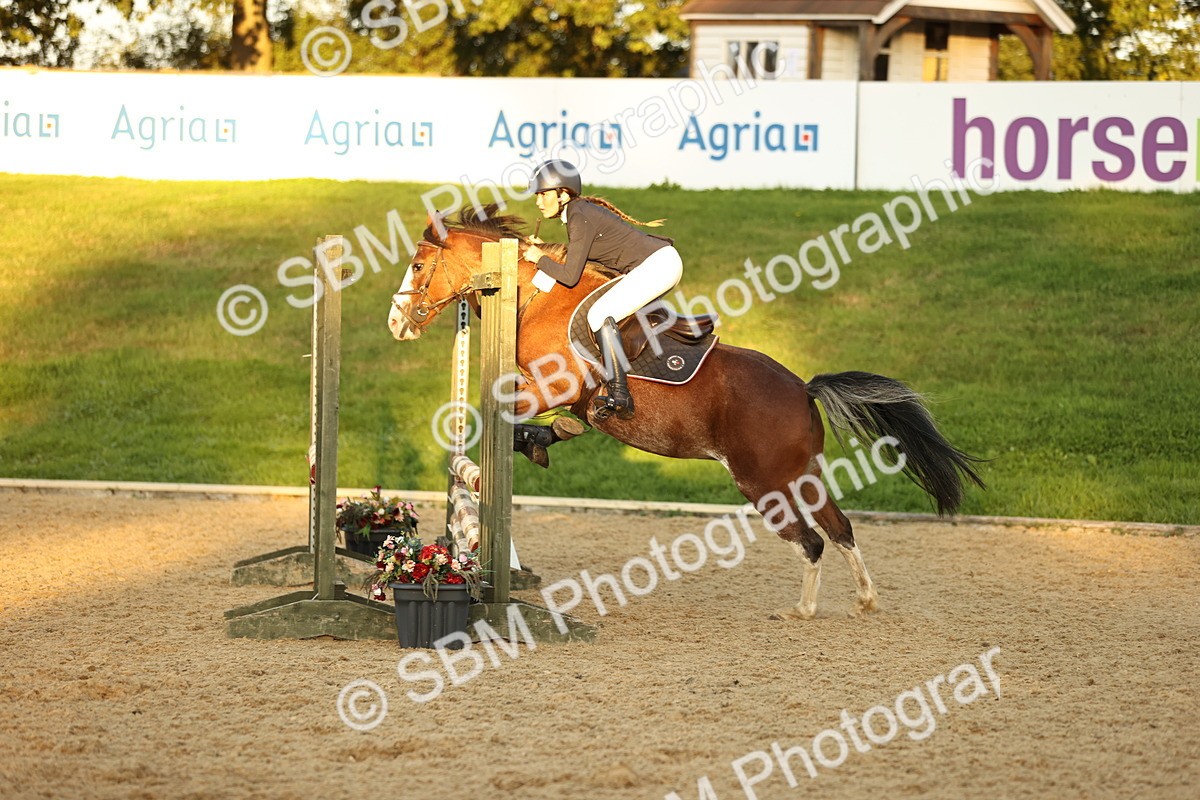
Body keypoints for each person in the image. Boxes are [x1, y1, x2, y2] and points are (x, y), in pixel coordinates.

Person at [521, 159, 682, 421]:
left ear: (563, 194)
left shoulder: (578, 216)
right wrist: (543, 253)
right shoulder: (578, 213)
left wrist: (538, 258)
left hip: (659, 266)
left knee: (598, 315)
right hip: (659, 264)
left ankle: (620, 394)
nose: (538, 202)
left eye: (543, 194)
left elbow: (570, 277)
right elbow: (578, 263)